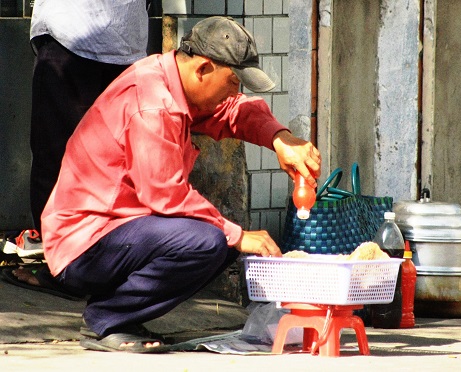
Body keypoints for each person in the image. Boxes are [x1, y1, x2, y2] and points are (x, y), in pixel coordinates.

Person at [40, 16, 321, 353]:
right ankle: (107, 319)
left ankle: (119, 315)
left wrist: (281, 139)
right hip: (84, 245)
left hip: (117, 230)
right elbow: (165, 194)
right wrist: (239, 234)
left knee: (217, 239)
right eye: (233, 82)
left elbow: (236, 111)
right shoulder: (154, 103)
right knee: (210, 240)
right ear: (203, 69)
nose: (235, 92)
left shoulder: (176, 80)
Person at [5, 0, 150, 294]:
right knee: (69, 157)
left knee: (88, 159)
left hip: (100, 35)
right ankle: (71, 264)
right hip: (83, 33)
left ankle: (72, 267)